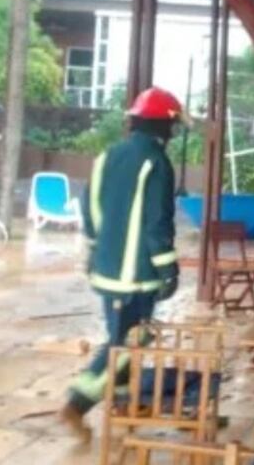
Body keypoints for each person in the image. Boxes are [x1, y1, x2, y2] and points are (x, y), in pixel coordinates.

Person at [58, 86, 188, 440]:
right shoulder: (157, 162)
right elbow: (157, 222)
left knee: (125, 335)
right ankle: (77, 403)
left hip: (107, 270)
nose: (173, 133)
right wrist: (168, 269)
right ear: (164, 125)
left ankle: (121, 402)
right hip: (135, 277)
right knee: (128, 343)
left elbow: (90, 211)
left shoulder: (107, 156)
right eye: (172, 126)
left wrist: (99, 251)